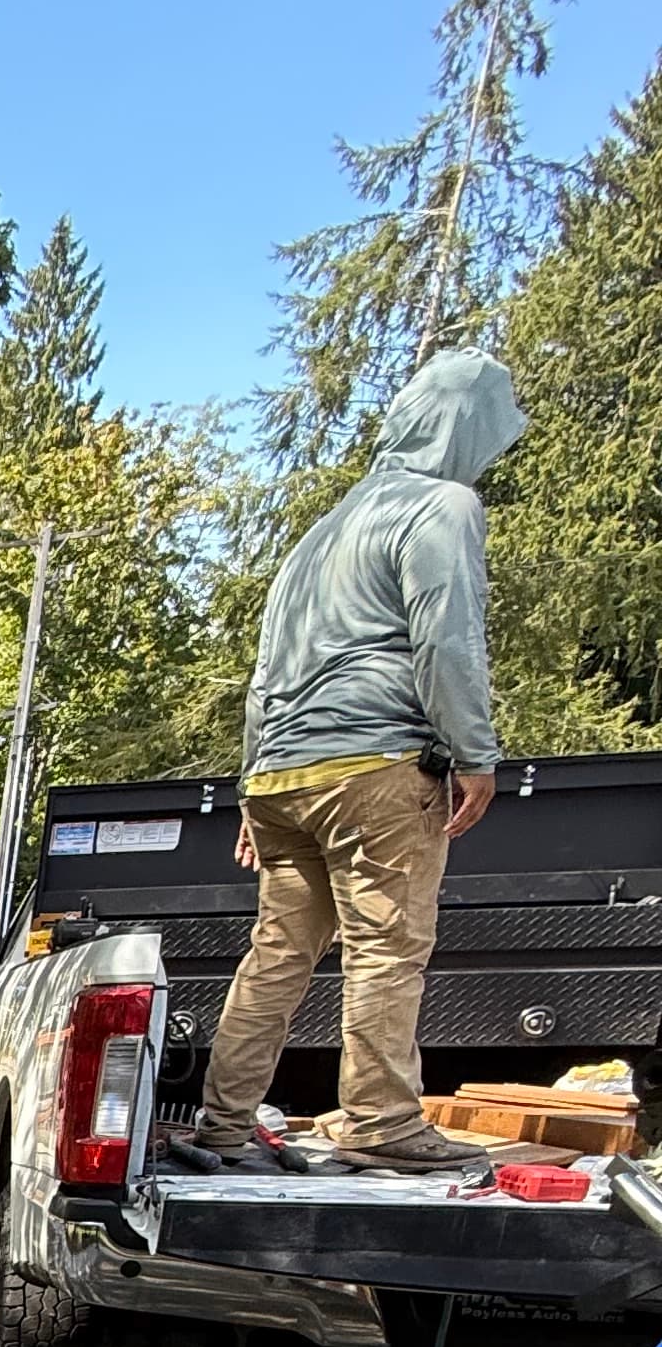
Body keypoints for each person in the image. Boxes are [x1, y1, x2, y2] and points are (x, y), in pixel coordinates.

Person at [174, 347, 526, 1171]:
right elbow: (447, 638)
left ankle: (223, 1124)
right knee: (386, 945)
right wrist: (475, 754)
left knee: (277, 956)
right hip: (376, 764)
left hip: (283, 776)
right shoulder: (443, 506)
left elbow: (266, 676)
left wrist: (254, 790)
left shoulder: (319, 536)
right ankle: (381, 1123)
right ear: (465, 431)